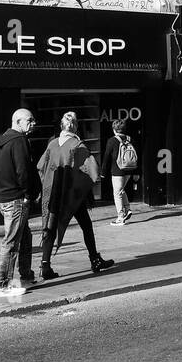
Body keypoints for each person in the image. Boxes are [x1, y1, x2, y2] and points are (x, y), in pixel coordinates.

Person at [37, 112, 113, 277]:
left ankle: (45, 265)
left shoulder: (52, 144)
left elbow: (41, 166)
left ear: (61, 127)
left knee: (49, 228)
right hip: (72, 196)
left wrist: (47, 185)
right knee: (86, 226)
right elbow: (94, 172)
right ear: (76, 126)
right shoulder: (78, 146)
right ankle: (94, 259)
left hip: (54, 194)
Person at [0, 107, 40, 298]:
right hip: (15, 198)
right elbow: (23, 171)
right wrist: (28, 194)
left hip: (2, 196)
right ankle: (1, 284)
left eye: (33, 120)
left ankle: (26, 276)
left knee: (25, 236)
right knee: (10, 242)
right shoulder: (19, 141)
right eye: (29, 120)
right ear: (17, 122)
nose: (33, 123)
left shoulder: (0, 140)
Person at [99, 119, 138, 225]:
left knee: (117, 193)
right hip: (129, 169)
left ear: (114, 129)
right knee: (121, 190)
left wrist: (103, 172)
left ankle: (120, 217)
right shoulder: (130, 139)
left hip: (118, 170)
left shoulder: (112, 141)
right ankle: (127, 209)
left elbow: (107, 157)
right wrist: (137, 172)